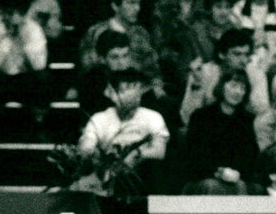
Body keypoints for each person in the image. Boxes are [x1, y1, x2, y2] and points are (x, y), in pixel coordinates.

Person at [72, 68, 169, 197]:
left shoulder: (153, 117)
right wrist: (90, 151)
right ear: (114, 94)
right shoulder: (99, 118)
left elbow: (159, 151)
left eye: (137, 89)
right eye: (126, 89)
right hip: (106, 176)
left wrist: (137, 154)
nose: (133, 94)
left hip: (141, 178)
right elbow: (86, 145)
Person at [182, 69, 260, 195]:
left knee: (241, 186)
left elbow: (251, 156)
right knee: (213, 186)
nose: (238, 92)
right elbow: (194, 156)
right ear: (222, 86)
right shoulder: (201, 116)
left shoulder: (246, 120)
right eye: (233, 86)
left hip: (235, 178)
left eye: (242, 88)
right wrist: (219, 172)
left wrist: (238, 173)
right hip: (204, 177)